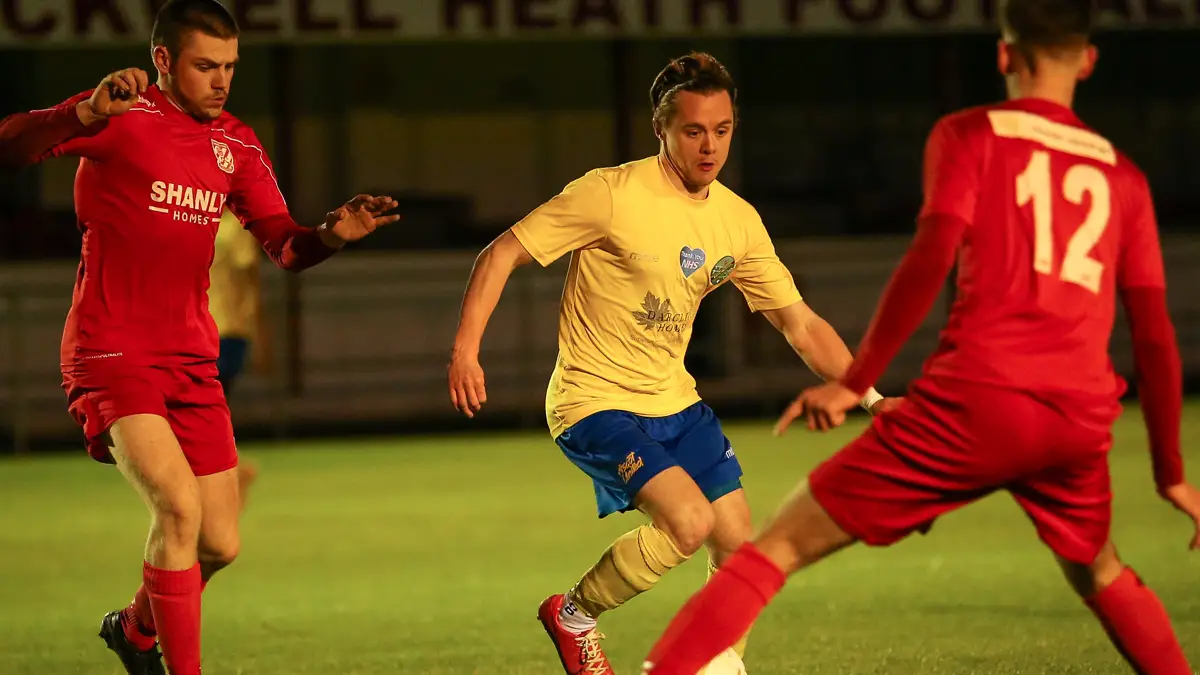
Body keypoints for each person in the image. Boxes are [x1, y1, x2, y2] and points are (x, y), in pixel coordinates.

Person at [640, 1, 1200, 674]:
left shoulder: (969, 135)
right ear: (1087, 60)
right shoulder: (1125, 179)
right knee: (1101, 570)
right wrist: (1170, 472)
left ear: (1003, 55)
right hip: (1074, 422)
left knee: (775, 546)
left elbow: (931, 256)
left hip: (976, 403)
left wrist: (853, 382)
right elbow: (1156, 336)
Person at [446, 52, 894, 675]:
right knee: (689, 523)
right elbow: (500, 255)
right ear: (661, 129)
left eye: (722, 130)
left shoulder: (737, 221)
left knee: (742, 549)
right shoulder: (609, 194)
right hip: (592, 400)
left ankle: (719, 665)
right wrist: (467, 350)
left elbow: (800, 323)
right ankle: (574, 616)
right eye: (693, 130)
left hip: (674, 402)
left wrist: (870, 398)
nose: (709, 146)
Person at [0, 2, 398, 674]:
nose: (222, 81)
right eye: (206, 66)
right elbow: (11, 143)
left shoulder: (237, 144)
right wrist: (85, 113)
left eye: (231, 67)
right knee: (178, 508)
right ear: (163, 61)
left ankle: (134, 628)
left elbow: (284, 246)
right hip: (112, 349)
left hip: (191, 358)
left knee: (219, 541)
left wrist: (330, 235)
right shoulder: (120, 115)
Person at [210, 208, 267, 397]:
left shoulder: (233, 226)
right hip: (225, 327)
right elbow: (251, 281)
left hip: (220, 328)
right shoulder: (234, 227)